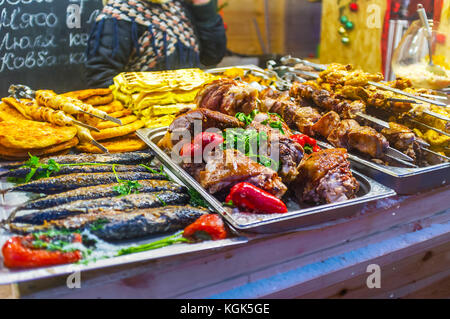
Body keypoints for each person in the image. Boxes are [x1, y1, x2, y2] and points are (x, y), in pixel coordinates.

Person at [85, 0, 227, 88]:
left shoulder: (178, 7)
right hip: (145, 118)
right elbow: (100, 77)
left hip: (186, 110)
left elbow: (212, 57)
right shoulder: (118, 14)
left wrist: (202, 5)